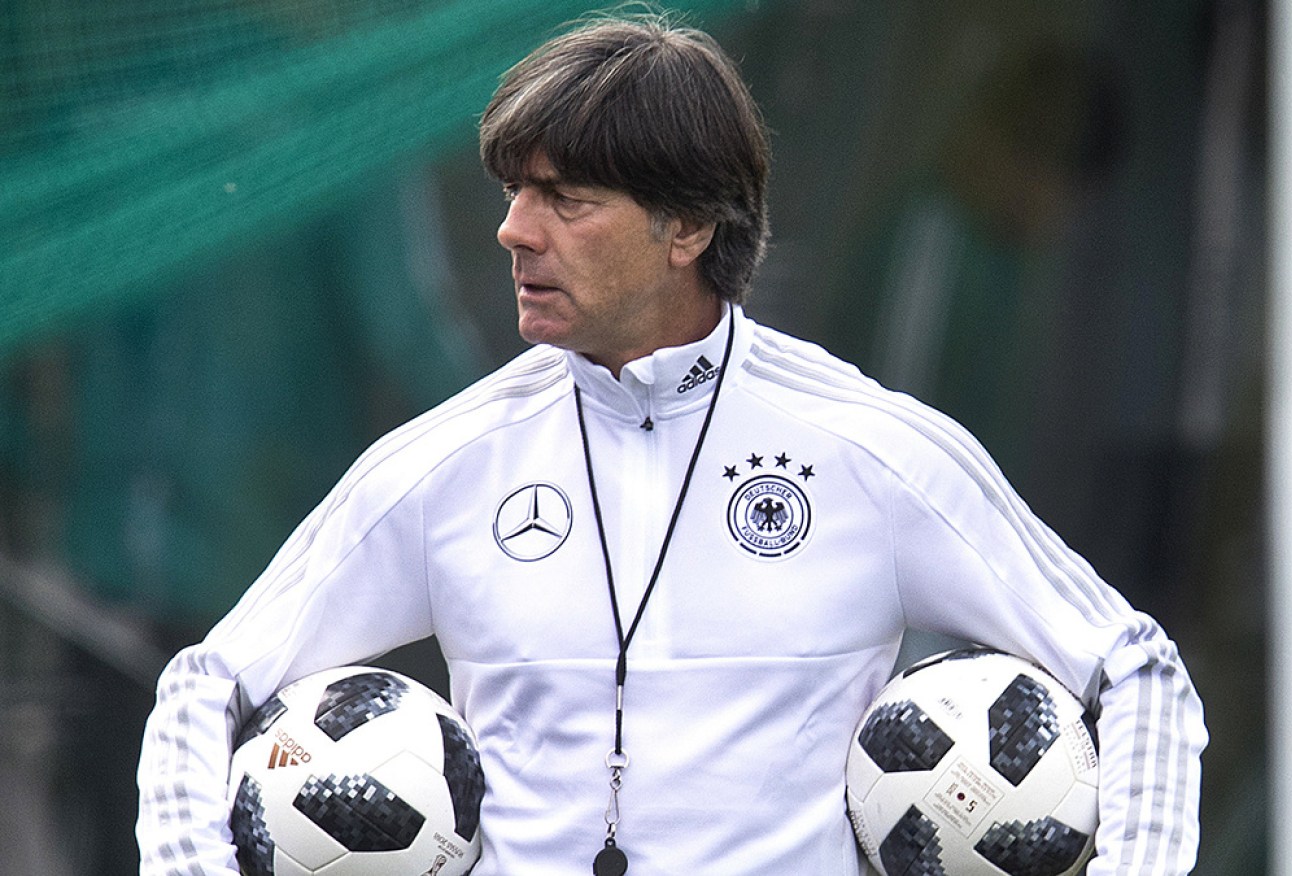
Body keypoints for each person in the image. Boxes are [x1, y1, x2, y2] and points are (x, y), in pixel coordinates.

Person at [137, 13, 1206, 875]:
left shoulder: (871, 451)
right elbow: (206, 682)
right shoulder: (446, 461)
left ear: (686, 227)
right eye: (514, 191)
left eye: (564, 197)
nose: (515, 228)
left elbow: (1134, 668)